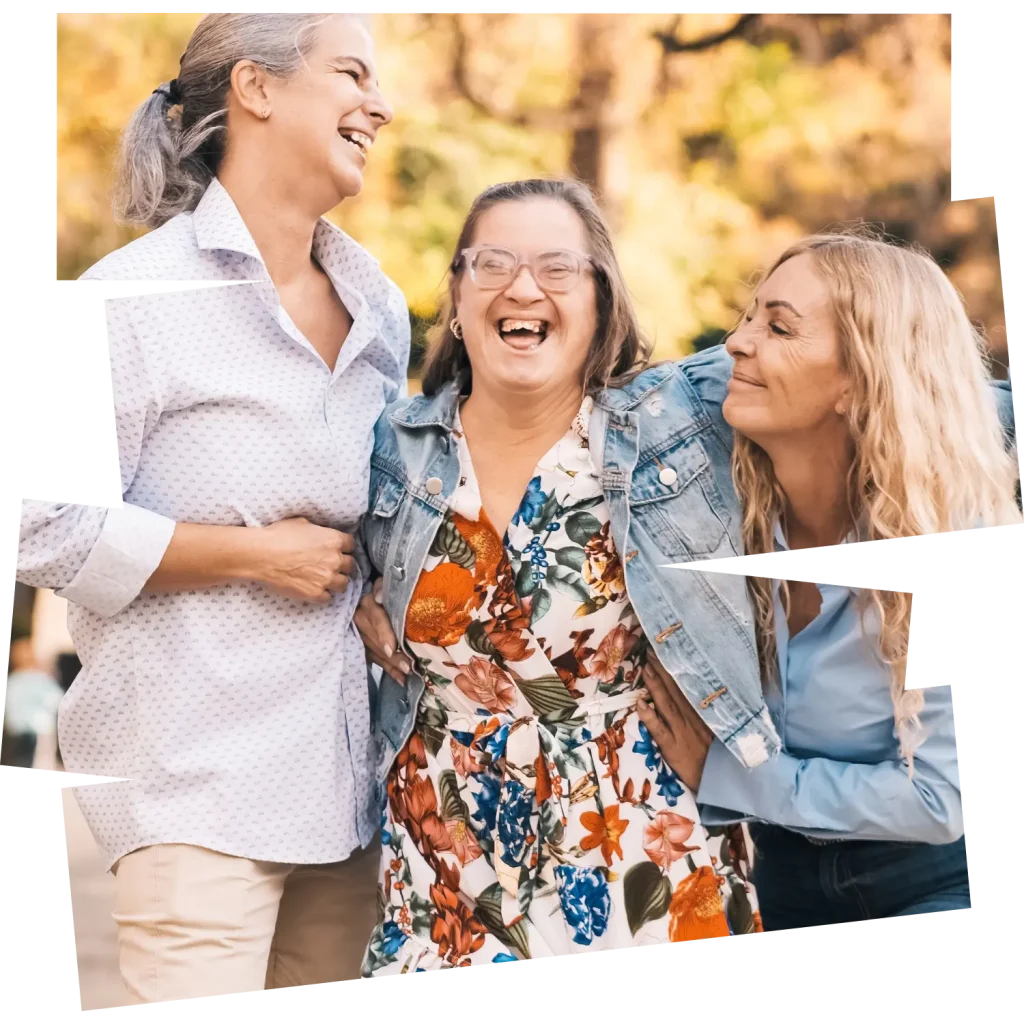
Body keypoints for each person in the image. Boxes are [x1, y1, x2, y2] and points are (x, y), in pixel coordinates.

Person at [19, 11, 404, 1003]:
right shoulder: (120, 296)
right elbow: (32, 518)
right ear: (257, 88)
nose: (381, 105)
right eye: (352, 74)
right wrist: (252, 555)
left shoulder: (383, 307)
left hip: (348, 796)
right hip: (191, 796)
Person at [353, 178, 784, 975]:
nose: (523, 288)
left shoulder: (677, 425)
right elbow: (307, 545)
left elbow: (861, 376)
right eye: (493, 264)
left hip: (636, 829)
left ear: (600, 301)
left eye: (558, 268)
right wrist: (355, 599)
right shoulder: (390, 447)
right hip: (447, 845)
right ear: (456, 296)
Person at [629, 232, 1018, 930]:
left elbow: (941, 800)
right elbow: (622, 402)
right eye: (749, 317)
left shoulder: (961, 534)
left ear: (861, 379)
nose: (739, 343)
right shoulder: (717, 507)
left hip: (937, 882)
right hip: (780, 883)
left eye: (779, 327)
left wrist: (731, 774)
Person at [2, 638, 64, 771]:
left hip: (15, 729)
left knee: (17, 763)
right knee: (40, 765)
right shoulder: (40, 679)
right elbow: (57, 700)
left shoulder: (11, 681)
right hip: (40, 729)